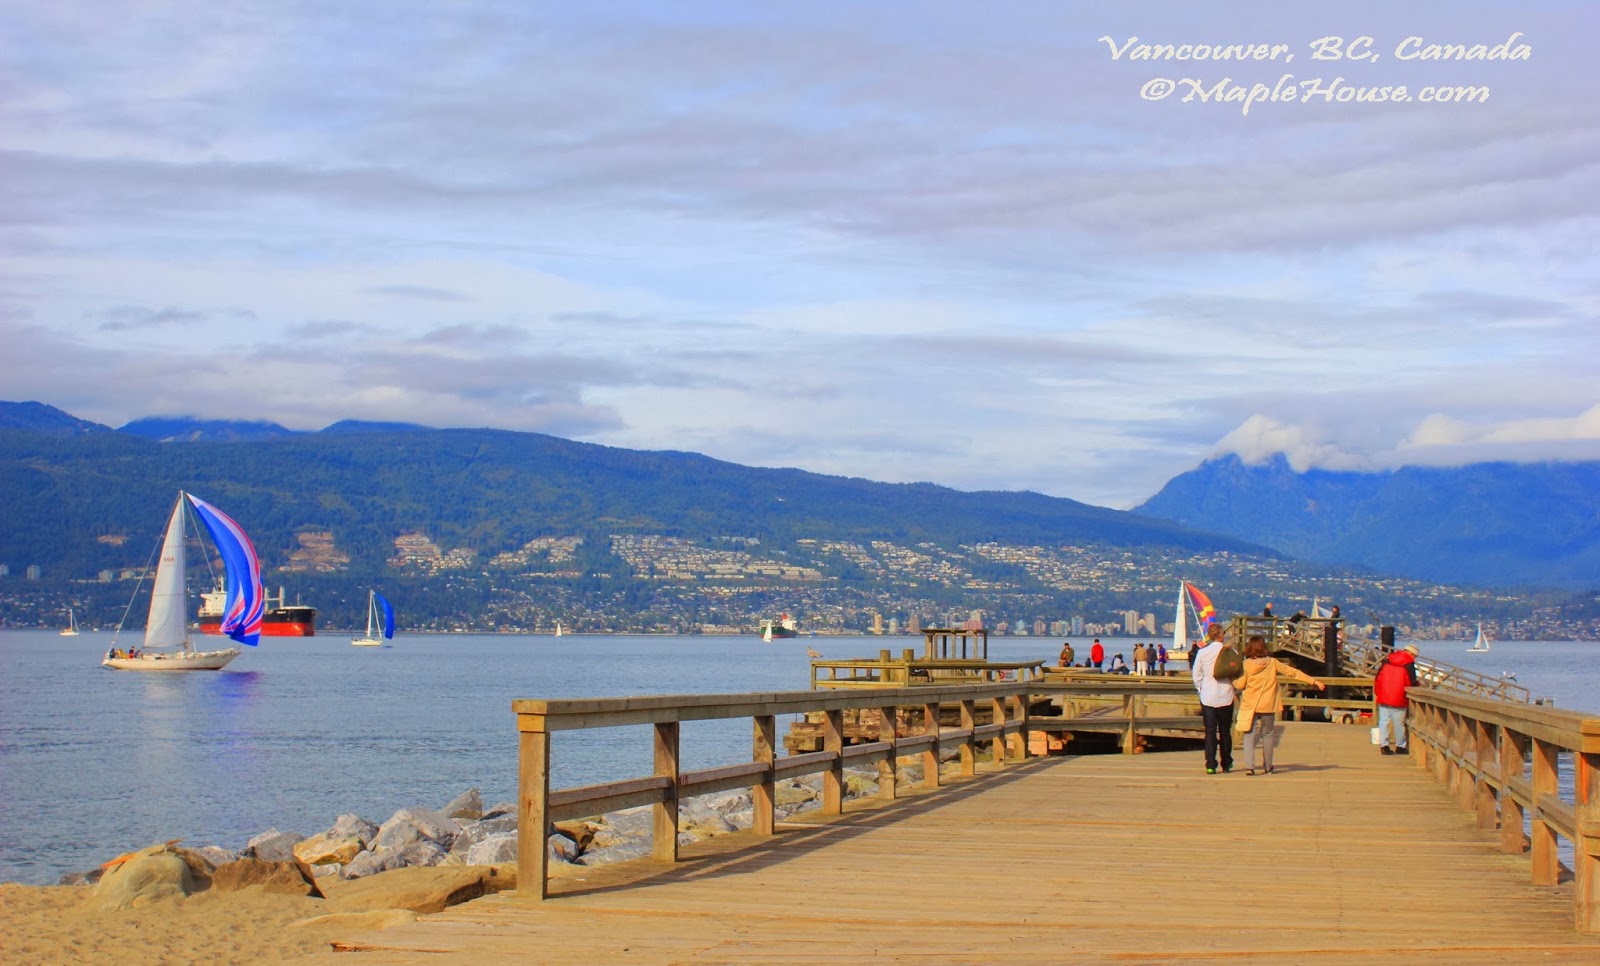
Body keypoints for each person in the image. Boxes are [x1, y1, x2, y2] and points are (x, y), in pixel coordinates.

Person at [1232, 635, 1326, 775]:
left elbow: (1240, 684)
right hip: (1268, 704)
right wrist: (1313, 681)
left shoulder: (1246, 664)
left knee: (1249, 735)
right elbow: (1292, 672)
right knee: (1268, 735)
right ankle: (1268, 766)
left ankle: (1250, 767)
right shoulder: (1272, 663)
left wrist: (1231, 681)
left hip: (1250, 705)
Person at [1190, 623, 1236, 774]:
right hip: (1226, 695)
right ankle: (1226, 763)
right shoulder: (1230, 652)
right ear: (1222, 635)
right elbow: (1237, 671)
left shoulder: (1203, 653)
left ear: (1209, 636)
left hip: (1208, 696)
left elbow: (1196, 675)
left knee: (1210, 732)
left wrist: (1201, 689)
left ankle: (1210, 764)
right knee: (1225, 731)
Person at [1374, 643, 1420, 755]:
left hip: (1384, 694)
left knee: (1383, 721)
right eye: (1414, 656)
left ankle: (1384, 745)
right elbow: (1412, 681)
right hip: (1398, 696)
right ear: (1411, 654)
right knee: (1398, 723)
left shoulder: (1388, 659)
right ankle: (1400, 746)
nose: (1414, 658)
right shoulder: (1408, 663)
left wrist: (1378, 691)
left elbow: (1378, 676)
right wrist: (1417, 684)